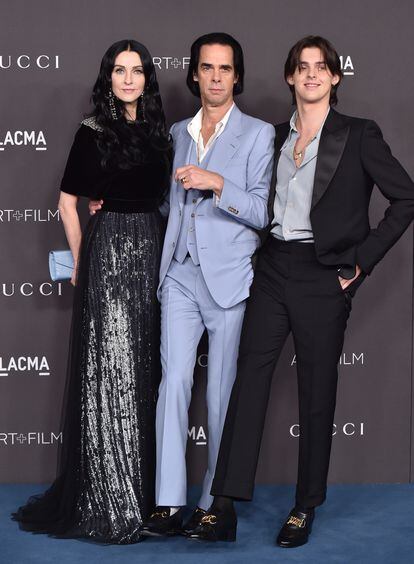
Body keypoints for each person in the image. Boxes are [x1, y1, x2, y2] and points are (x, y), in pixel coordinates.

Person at [191, 35, 414, 546]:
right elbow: (244, 199)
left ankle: (304, 506)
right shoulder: (268, 136)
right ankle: (222, 504)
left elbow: (405, 199)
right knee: (249, 381)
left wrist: (360, 263)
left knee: (317, 393)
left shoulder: (359, 134)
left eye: (321, 67)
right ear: (290, 77)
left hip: (323, 274)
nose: (311, 74)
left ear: (335, 78)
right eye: (302, 67)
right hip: (273, 267)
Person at [13, 39, 172, 544]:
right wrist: (82, 262)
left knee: (141, 371)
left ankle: (140, 498)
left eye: (137, 71)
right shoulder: (93, 131)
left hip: (152, 248)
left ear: (148, 77)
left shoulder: (159, 133)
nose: (128, 79)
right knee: (111, 373)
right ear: (108, 77)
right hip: (108, 255)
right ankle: (107, 499)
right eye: (119, 71)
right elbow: (67, 203)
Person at [133, 32, 274, 537]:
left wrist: (217, 184)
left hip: (231, 278)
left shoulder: (258, 134)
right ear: (193, 73)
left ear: (237, 75)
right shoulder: (176, 133)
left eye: (225, 69)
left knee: (220, 394)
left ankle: (217, 502)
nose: (215, 77)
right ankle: (169, 502)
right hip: (179, 275)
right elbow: (168, 206)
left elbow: (262, 211)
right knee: (172, 384)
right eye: (207, 68)